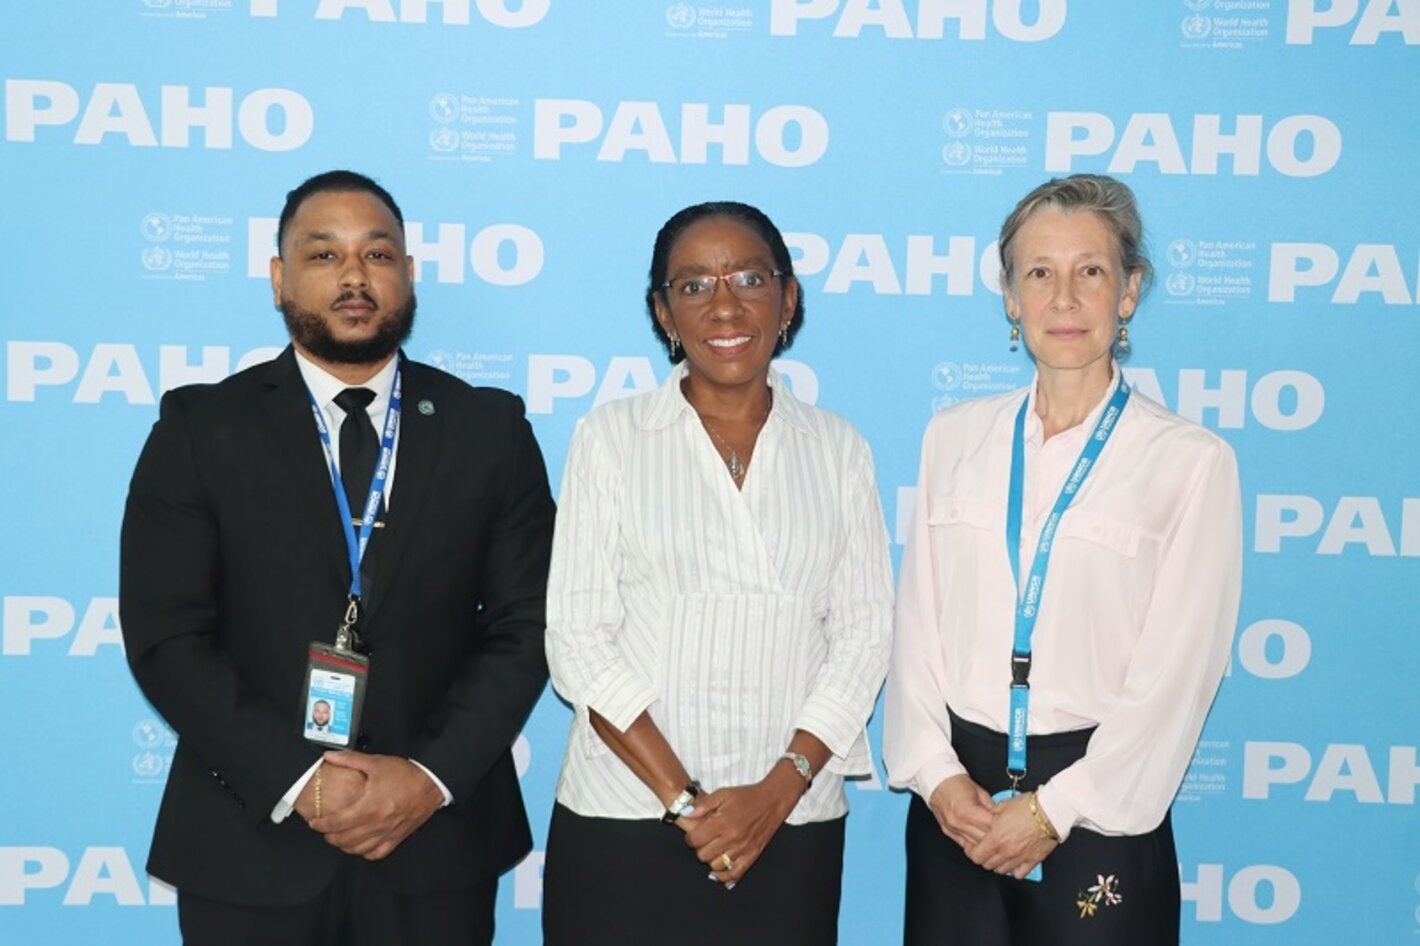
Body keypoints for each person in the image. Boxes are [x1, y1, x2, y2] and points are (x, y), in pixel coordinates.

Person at [120, 170, 555, 946]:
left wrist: (426, 778)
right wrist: (301, 781)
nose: (355, 276)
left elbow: (526, 626)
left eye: (377, 254)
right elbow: (168, 635)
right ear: (279, 278)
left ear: (408, 274)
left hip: (435, 846)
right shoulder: (200, 428)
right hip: (250, 842)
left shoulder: (488, 429)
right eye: (324, 255)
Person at [883, 174, 1242, 944]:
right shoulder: (954, 437)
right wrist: (936, 776)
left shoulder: (1190, 462)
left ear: (1129, 291)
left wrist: (1056, 809)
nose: (1065, 298)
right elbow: (916, 631)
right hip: (956, 810)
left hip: (1100, 808)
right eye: (1040, 273)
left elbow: (1179, 674)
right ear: (1011, 297)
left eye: (1092, 271)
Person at [541, 201, 895, 945]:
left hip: (790, 820)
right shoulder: (611, 438)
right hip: (627, 817)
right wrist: (687, 803)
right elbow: (577, 639)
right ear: (663, 313)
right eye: (695, 285)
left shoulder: (838, 449)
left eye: (749, 279)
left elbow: (864, 635)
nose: (725, 306)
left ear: (788, 299)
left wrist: (776, 793)